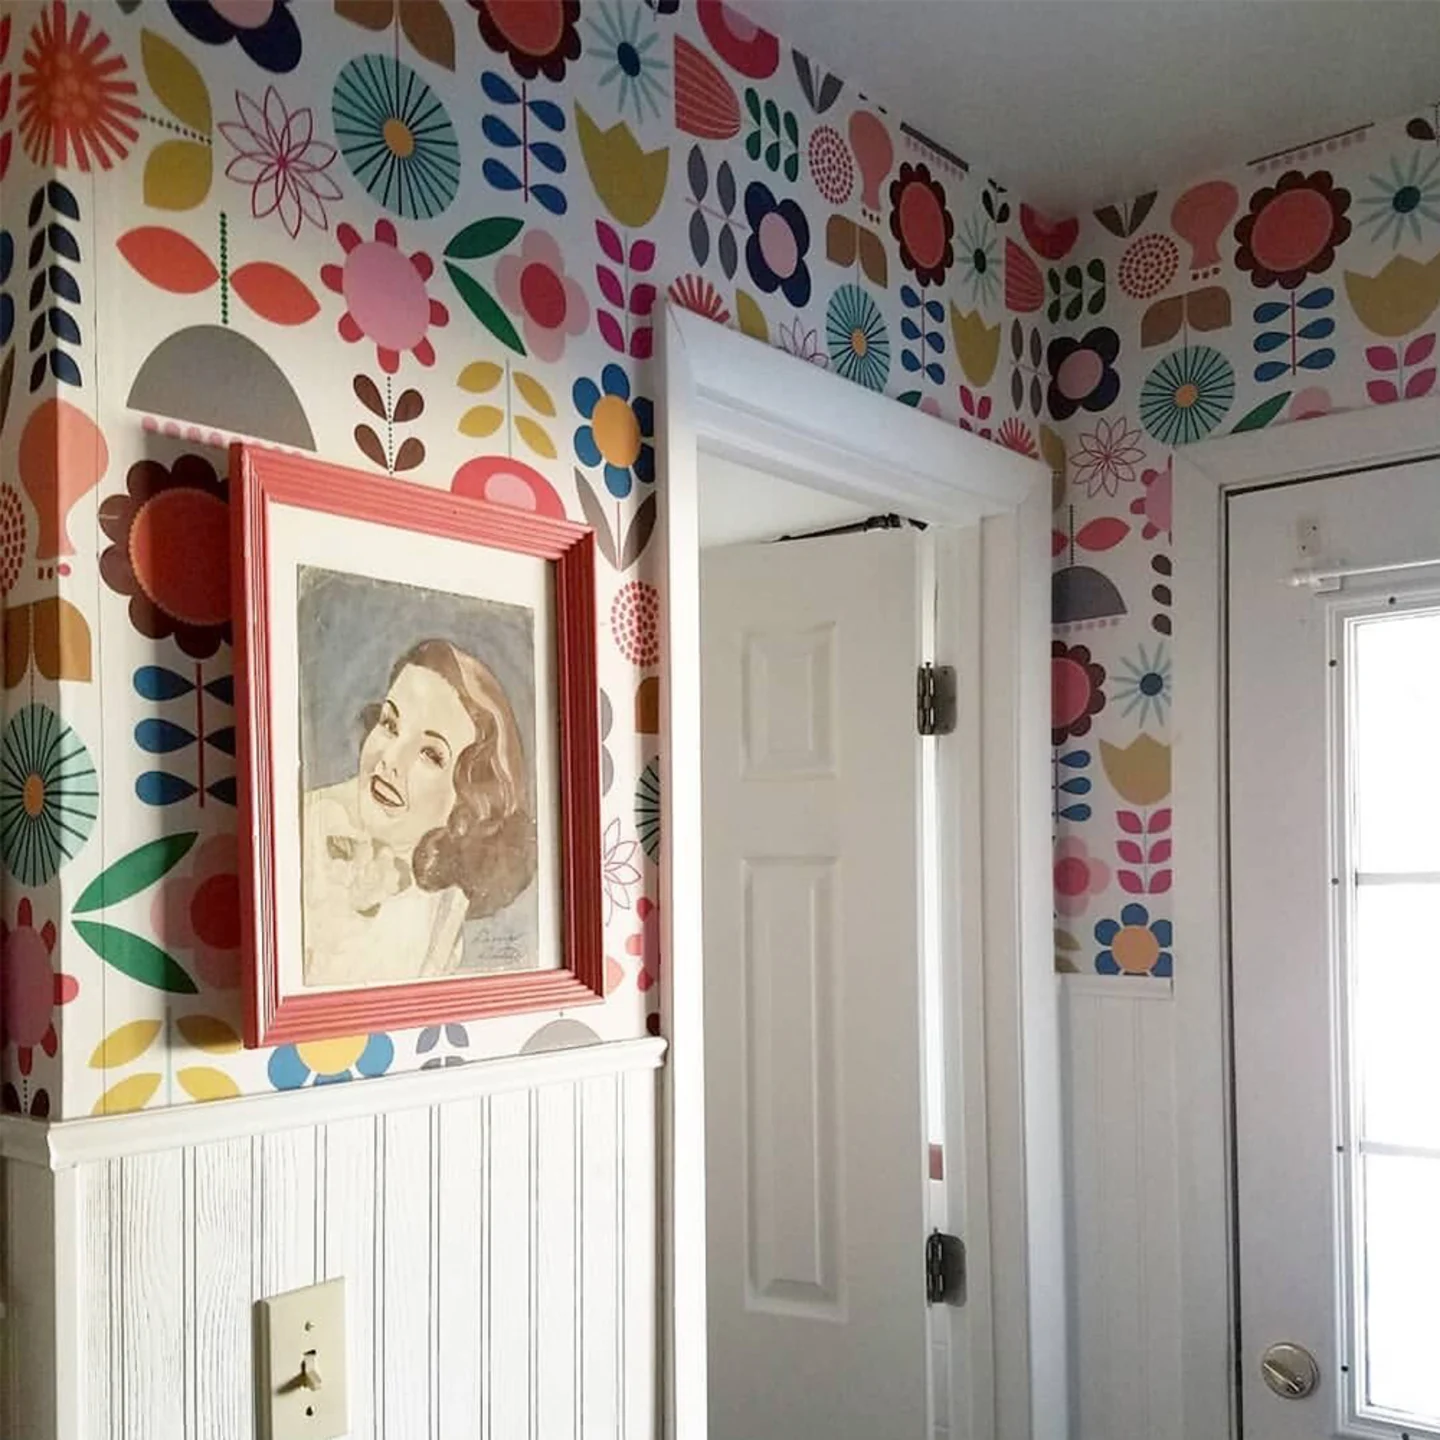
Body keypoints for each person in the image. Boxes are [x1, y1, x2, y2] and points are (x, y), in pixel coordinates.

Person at [301, 638, 536, 986]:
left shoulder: (445, 900)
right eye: (390, 725)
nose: (389, 760)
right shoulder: (307, 829)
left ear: (468, 800)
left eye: (431, 754)